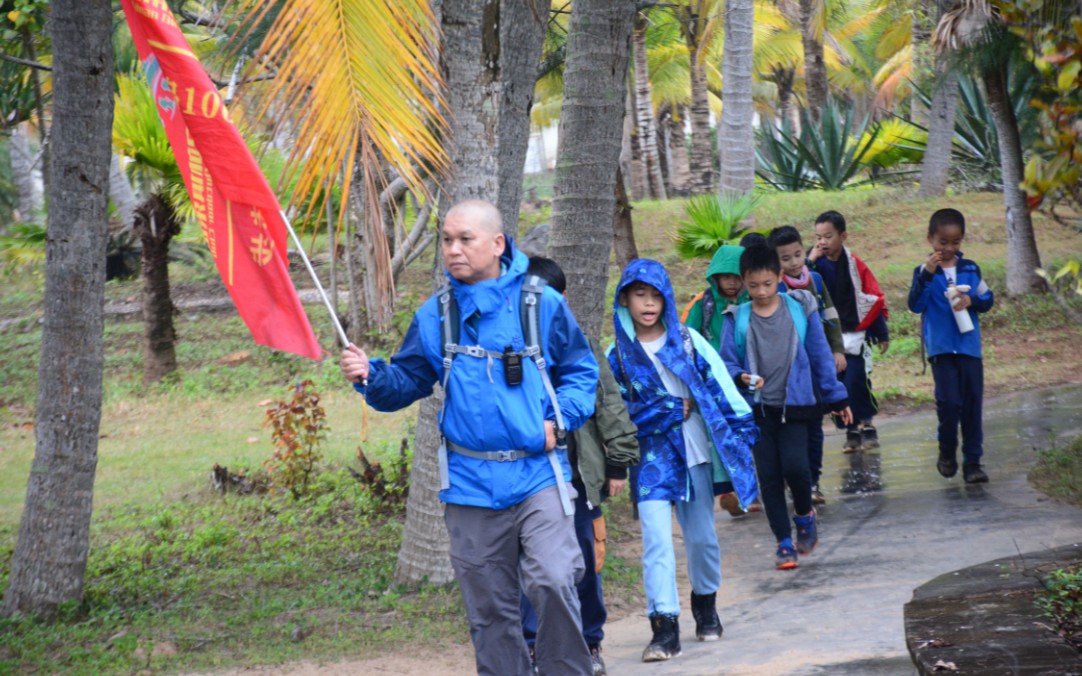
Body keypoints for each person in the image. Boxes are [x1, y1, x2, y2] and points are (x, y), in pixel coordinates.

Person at [339, 200, 599, 676]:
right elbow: (408, 382)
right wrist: (370, 376)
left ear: (497, 243)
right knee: (489, 610)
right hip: (470, 485)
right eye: (446, 240)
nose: (453, 250)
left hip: (538, 474)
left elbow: (581, 372)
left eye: (465, 240)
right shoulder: (436, 314)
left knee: (554, 580)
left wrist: (559, 421)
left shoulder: (541, 303)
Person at [608, 259, 759, 662]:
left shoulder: (688, 340)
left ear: (667, 299)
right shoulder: (617, 355)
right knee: (656, 542)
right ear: (625, 298)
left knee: (702, 538)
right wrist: (669, 409)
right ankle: (664, 627)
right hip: (650, 462)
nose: (649, 303)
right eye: (640, 294)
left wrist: (743, 433)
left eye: (656, 295)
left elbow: (721, 387)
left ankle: (705, 604)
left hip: (694, 456)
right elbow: (614, 413)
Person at [519, 257, 641, 676]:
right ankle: (535, 647)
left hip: (577, 481)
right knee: (531, 570)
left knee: (584, 565)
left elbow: (608, 402)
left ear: (562, 299)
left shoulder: (581, 342)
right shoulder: (507, 344)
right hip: (529, 481)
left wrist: (619, 464)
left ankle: (590, 644)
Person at [720, 246, 853, 570]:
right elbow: (726, 363)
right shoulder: (736, 319)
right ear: (744, 283)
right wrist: (743, 378)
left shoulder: (799, 309)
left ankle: (805, 515)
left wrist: (836, 397)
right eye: (753, 286)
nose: (762, 292)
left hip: (796, 407)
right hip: (759, 411)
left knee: (796, 467)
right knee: (769, 477)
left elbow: (820, 355)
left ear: (779, 278)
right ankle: (783, 542)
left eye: (767, 284)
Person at [907, 208, 994, 484]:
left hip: (969, 348)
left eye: (955, 243)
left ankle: (972, 462)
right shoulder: (923, 273)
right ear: (930, 239)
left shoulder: (970, 269)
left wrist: (974, 303)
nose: (949, 248)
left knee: (971, 404)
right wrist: (927, 276)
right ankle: (947, 451)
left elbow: (987, 298)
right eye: (943, 243)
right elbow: (915, 305)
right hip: (942, 350)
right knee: (949, 404)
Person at [768, 225, 845, 506]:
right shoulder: (773, 288)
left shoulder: (815, 279)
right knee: (795, 430)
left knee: (815, 428)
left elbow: (831, 316)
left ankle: (813, 482)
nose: (793, 262)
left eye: (798, 254)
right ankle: (796, 480)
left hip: (818, 367)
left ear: (805, 250)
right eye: (785, 259)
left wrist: (837, 348)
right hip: (789, 373)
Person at [807, 210, 889, 453]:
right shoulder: (815, 267)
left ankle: (867, 424)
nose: (822, 242)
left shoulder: (855, 265)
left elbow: (869, 298)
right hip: (830, 338)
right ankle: (850, 429)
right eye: (818, 237)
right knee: (838, 384)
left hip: (855, 336)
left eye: (828, 236)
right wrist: (809, 260)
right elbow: (798, 282)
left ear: (843, 236)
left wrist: (881, 333)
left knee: (857, 381)